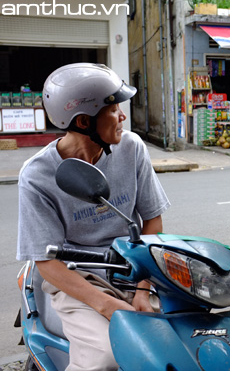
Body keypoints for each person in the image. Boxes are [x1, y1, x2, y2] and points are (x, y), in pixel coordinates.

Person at [16, 63, 171, 371]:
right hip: (79, 278)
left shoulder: (132, 148)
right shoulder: (37, 176)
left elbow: (152, 220)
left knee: (177, 340)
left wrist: (143, 285)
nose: (123, 116)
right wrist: (106, 304)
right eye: (114, 109)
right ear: (85, 121)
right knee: (107, 357)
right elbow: (46, 261)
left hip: (133, 268)